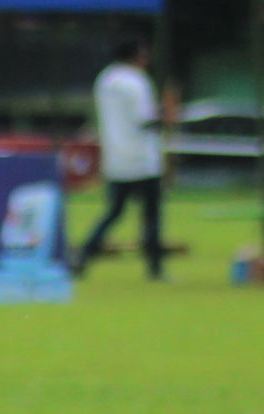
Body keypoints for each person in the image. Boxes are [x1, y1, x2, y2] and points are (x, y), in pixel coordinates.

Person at [75, 37, 166, 280]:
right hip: (142, 160)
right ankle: (155, 268)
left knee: (113, 212)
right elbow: (145, 120)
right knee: (151, 216)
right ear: (136, 54)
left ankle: (83, 256)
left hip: (115, 158)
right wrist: (166, 116)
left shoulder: (105, 79)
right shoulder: (137, 82)